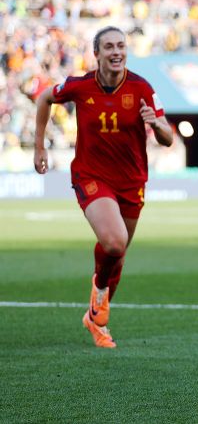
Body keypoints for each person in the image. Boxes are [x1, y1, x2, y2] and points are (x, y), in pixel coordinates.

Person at [34, 26, 173, 348]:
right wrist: (39, 147)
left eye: (121, 46)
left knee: (119, 253)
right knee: (113, 242)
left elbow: (167, 138)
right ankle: (99, 291)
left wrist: (155, 124)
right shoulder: (80, 86)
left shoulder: (142, 88)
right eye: (109, 46)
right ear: (96, 54)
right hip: (91, 175)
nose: (116, 52)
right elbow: (44, 98)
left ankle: (96, 319)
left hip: (132, 181)